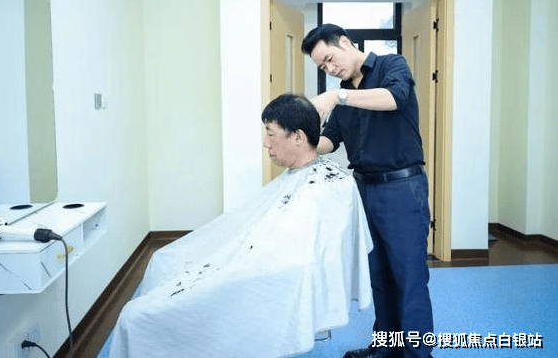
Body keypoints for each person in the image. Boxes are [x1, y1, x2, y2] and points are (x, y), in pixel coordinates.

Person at [107, 93, 373, 358]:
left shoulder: (326, 188)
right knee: (164, 260)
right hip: (248, 255)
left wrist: (233, 266)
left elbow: (294, 258)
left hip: (262, 270)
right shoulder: (304, 175)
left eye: (271, 134)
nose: (265, 143)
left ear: (298, 137)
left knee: (135, 317)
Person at [301, 24, 434, 358]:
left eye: (330, 59)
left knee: (410, 276)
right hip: (363, 191)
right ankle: (387, 348)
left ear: (345, 42)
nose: (330, 69)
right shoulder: (344, 95)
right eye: (322, 67)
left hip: (402, 189)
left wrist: (337, 96)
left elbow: (394, 98)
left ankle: (418, 354)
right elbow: (330, 140)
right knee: (379, 276)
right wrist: (298, 146)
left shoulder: (391, 65)